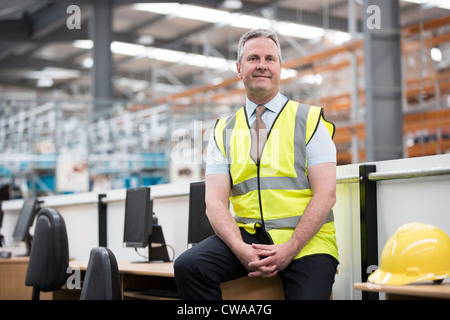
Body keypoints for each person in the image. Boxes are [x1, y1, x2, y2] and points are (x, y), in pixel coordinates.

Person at [174, 28, 338, 300]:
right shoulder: (223, 130)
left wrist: (291, 247)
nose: (262, 65)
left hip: (308, 243)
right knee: (189, 266)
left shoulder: (309, 121)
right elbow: (215, 202)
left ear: (280, 68)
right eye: (253, 58)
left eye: (270, 59)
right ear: (239, 69)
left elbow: (326, 194)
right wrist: (239, 247)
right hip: (250, 238)